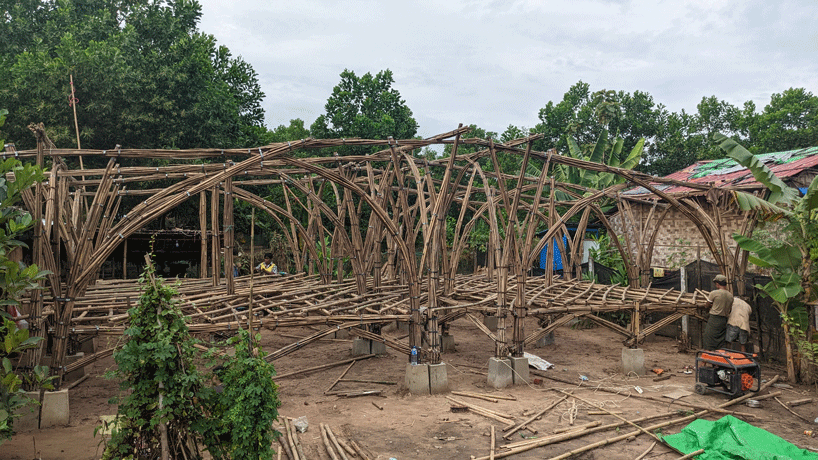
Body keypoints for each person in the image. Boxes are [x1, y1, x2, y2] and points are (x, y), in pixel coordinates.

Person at [703, 274, 733, 350]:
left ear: (717, 283)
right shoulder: (730, 295)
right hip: (724, 320)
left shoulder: (714, 293)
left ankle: (707, 356)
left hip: (714, 319)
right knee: (720, 340)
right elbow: (730, 309)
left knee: (708, 337)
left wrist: (709, 306)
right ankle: (720, 357)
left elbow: (707, 305)